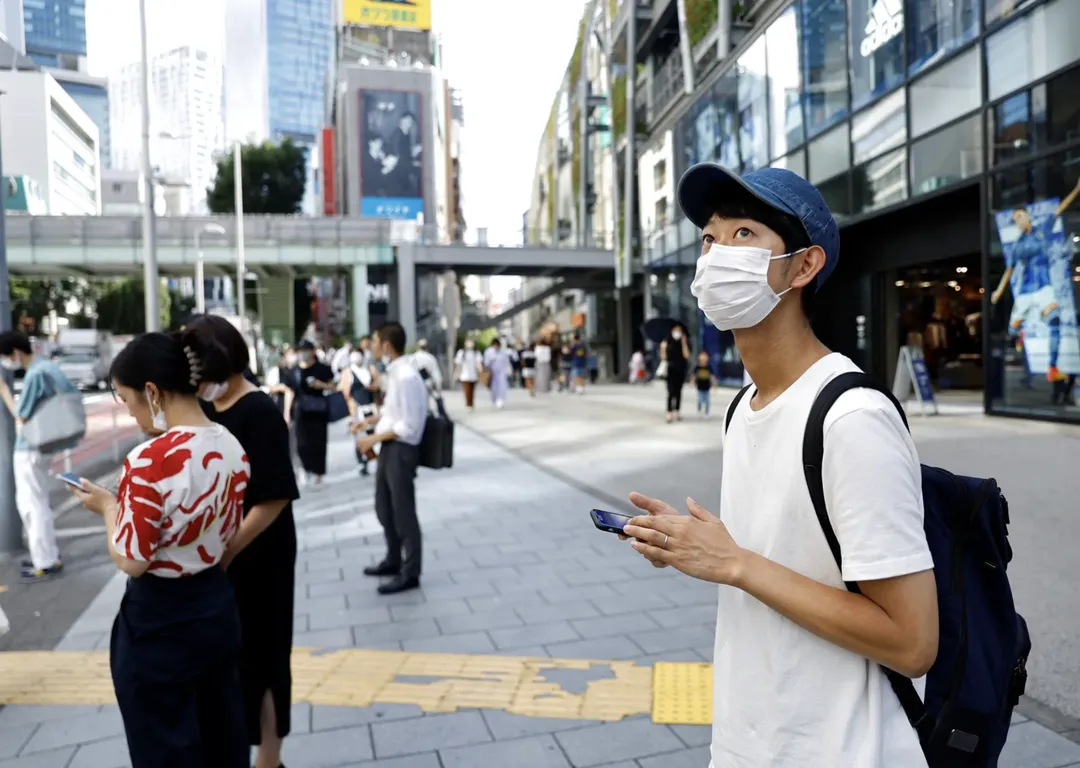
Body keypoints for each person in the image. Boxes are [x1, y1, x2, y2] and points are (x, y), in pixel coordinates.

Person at [623, 164, 937, 767]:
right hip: (752, 741)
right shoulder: (744, 405)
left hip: (845, 750)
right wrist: (697, 547)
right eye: (710, 239)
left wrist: (734, 562)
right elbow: (784, 563)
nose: (715, 256)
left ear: (803, 266)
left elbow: (913, 641)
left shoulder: (851, 417)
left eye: (744, 234)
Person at [69, 329, 250, 767]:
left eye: (127, 400)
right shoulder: (231, 445)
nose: (131, 414)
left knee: (166, 748)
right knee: (222, 738)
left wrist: (110, 507)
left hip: (159, 623)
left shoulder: (150, 459)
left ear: (152, 391)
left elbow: (132, 559)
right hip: (216, 606)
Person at [184, 316, 300, 768]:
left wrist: (228, 550)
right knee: (230, 657)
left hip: (262, 552)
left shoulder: (259, 411)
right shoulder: (206, 408)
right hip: (223, 555)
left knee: (267, 655)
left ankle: (269, 758)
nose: (201, 385)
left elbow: (274, 500)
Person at [355, 322, 427, 595]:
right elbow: (393, 414)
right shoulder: (396, 373)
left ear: (386, 345)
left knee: (403, 511)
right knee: (384, 507)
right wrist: (370, 423)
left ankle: (410, 572)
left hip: (401, 450)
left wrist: (372, 439)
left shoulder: (406, 376)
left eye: (373, 341)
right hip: (390, 448)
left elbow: (408, 426)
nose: (370, 346)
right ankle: (393, 558)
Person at [0, 331, 77, 582]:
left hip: (30, 448)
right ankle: (47, 556)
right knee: (38, 502)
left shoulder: (35, 374)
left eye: (4, 356)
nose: (5, 362)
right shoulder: (47, 367)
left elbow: (21, 415)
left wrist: (3, 390)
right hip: (44, 445)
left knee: (32, 506)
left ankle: (44, 561)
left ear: (15, 352)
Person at [990, 181, 1080, 384]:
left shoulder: (1043, 229)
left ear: (1027, 215)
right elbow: (1009, 270)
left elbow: (1060, 209)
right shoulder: (1017, 245)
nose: (1019, 221)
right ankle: (1019, 335)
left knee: (1054, 322)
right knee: (1012, 331)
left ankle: (1052, 368)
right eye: (1015, 220)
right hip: (1025, 292)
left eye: (1020, 216)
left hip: (1044, 287)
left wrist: (1076, 189)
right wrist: (999, 290)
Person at [283, 340, 335, 485]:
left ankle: (318, 471)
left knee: (319, 441)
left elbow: (333, 386)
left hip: (319, 409)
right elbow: (289, 392)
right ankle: (305, 469)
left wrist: (321, 385)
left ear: (313, 351)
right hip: (301, 410)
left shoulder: (323, 368)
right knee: (301, 442)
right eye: (300, 351)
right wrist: (287, 413)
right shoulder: (293, 371)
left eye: (306, 350)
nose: (303, 354)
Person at [340, 346, 378, 476]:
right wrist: (351, 412)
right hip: (357, 408)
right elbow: (346, 394)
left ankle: (375, 460)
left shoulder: (370, 369)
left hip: (371, 407)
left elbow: (378, 385)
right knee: (360, 437)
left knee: (373, 434)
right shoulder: (348, 372)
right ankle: (363, 462)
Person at [660, 325, 690, 422]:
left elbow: (686, 355)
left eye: (679, 331)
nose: (677, 333)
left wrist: (684, 343)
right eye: (675, 330)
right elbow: (664, 358)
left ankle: (677, 411)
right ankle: (669, 412)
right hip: (670, 370)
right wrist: (663, 349)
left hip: (681, 370)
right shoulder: (667, 343)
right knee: (670, 391)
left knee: (678, 391)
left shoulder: (684, 342)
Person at [453, 339, 483, 411]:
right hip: (464, 375)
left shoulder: (476, 353)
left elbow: (479, 363)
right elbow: (458, 365)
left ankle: (471, 404)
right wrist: (457, 373)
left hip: (474, 375)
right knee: (467, 390)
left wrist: (480, 370)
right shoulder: (461, 352)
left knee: (472, 390)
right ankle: (468, 404)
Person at [483, 338, 512, 409]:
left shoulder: (503, 352)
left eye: (497, 345)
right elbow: (486, 362)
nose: (496, 347)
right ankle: (494, 399)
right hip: (492, 372)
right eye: (494, 345)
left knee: (502, 387)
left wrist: (509, 370)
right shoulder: (488, 352)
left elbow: (506, 362)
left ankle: (500, 400)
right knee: (493, 388)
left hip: (502, 372)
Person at [693, 350, 715, 417]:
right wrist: (692, 381)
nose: (703, 358)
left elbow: (712, 376)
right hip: (699, 387)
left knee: (707, 401)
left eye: (705, 356)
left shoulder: (709, 368)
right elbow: (694, 375)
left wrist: (714, 383)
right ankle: (699, 407)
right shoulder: (697, 367)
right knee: (700, 399)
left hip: (707, 387)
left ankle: (707, 412)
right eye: (702, 356)